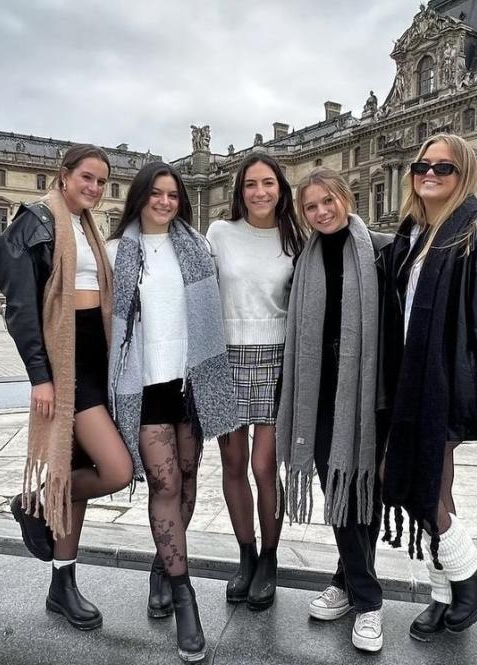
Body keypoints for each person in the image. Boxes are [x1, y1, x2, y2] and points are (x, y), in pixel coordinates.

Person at [380, 134, 477, 641]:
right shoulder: (414, 235)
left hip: (444, 384)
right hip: (413, 381)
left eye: (443, 168)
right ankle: (445, 591)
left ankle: (467, 572)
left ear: (463, 175)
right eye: (422, 165)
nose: (429, 174)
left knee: (416, 486)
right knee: (434, 488)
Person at [0, 144, 133, 633]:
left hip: (97, 358)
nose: (93, 188)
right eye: (86, 178)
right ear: (64, 176)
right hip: (68, 368)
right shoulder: (37, 221)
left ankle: (62, 585)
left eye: (101, 182)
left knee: (77, 478)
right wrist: (40, 375)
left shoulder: (89, 228)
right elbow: (21, 304)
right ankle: (33, 503)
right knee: (115, 470)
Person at [106, 161, 237, 662]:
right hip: (144, 386)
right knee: (164, 485)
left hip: (192, 381)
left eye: (172, 195)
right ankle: (186, 599)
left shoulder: (197, 246)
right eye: (155, 194)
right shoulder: (118, 252)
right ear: (139, 198)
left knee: (186, 479)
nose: (164, 202)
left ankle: (164, 566)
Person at [275, 168, 391, 652]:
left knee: (365, 495)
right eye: (311, 207)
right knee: (340, 490)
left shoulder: (382, 251)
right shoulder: (305, 258)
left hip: (370, 392)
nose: (322, 212)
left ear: (346, 198)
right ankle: (359, 592)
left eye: (328, 201)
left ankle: (359, 594)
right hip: (318, 395)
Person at [205, 154, 306, 611]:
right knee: (232, 464)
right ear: (239, 190)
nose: (260, 192)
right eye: (251, 184)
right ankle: (244, 555)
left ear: (281, 188)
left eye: (268, 183)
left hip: (277, 358)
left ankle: (270, 557)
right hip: (225, 356)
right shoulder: (219, 234)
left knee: (265, 467)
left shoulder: (296, 238)